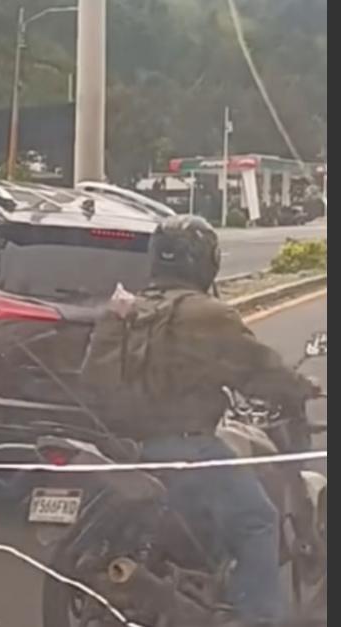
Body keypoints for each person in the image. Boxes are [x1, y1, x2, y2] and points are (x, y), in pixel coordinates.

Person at [81, 215, 318, 625]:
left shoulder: (128, 309)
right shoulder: (207, 314)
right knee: (258, 520)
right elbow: (258, 369)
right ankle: (259, 618)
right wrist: (300, 387)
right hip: (185, 447)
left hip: (121, 446)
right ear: (205, 261)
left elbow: (91, 378)